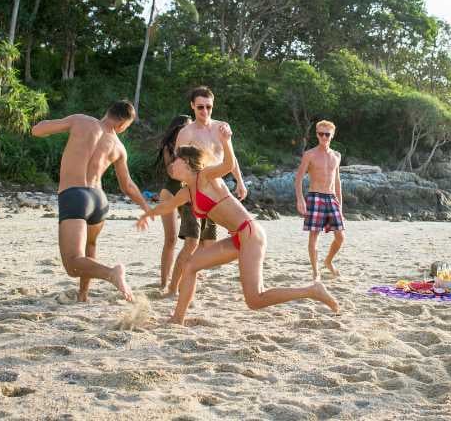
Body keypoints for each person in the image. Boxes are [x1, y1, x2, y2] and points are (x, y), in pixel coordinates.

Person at [136, 124, 339, 325]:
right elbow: (167, 206)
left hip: (250, 234)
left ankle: (312, 290)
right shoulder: (187, 191)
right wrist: (148, 214)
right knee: (190, 266)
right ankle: (177, 318)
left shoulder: (205, 177)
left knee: (255, 300)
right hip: (237, 237)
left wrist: (226, 142)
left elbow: (227, 165)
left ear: (187, 163)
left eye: (176, 159)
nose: (171, 163)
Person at [31, 100, 149, 302]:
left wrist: (43, 127)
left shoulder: (81, 120)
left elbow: (37, 130)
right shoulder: (119, 148)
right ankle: (83, 294)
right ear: (122, 124)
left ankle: (112, 273)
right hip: (98, 199)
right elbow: (127, 185)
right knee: (90, 246)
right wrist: (146, 206)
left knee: (72, 264)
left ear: (108, 112)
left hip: (75, 195)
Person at [164, 86, 246, 295]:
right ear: (192, 106)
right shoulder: (186, 133)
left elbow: (231, 159)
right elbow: (178, 166)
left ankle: (188, 278)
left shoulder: (221, 128)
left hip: (217, 193)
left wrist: (240, 181)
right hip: (194, 193)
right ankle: (173, 288)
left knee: (209, 244)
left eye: (208, 107)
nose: (205, 111)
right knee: (191, 242)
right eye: (200, 107)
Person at [294, 120, 345, 280]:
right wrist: (300, 199)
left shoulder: (336, 156)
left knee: (340, 237)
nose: (323, 137)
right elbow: (299, 178)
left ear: (332, 135)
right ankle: (316, 272)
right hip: (315, 196)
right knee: (313, 237)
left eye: (326, 134)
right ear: (316, 134)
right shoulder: (309, 154)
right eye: (320, 134)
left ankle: (328, 262)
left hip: (331, 198)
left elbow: (337, 182)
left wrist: (340, 207)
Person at [154, 114, 192, 292]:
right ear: (176, 129)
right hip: (169, 193)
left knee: (192, 241)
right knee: (170, 239)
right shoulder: (168, 148)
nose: (187, 131)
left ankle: (182, 279)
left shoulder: (195, 145)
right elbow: (172, 173)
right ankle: (164, 282)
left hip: (189, 194)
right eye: (184, 128)